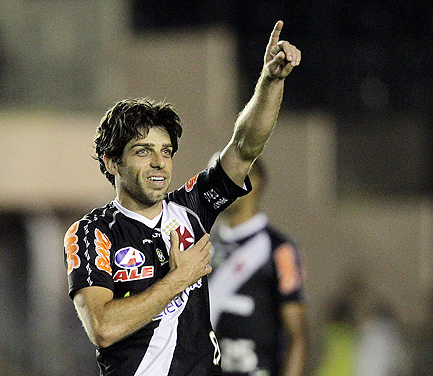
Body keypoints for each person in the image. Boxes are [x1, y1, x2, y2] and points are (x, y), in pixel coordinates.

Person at [63, 20, 301, 376]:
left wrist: (270, 81)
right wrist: (179, 279)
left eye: (166, 151)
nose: (159, 162)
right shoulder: (92, 233)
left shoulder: (190, 210)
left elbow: (244, 146)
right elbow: (103, 328)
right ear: (112, 162)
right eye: (143, 151)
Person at [208, 158, 307, 376]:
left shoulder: (280, 250)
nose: (215, 186)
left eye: (224, 177)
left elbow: (297, 337)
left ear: (254, 182)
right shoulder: (203, 246)